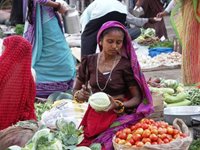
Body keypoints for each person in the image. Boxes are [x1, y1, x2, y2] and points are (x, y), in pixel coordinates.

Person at [73, 21, 154, 149]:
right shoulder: (89, 61)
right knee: (83, 144)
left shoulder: (125, 65)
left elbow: (137, 98)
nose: (114, 46)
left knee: (109, 145)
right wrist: (80, 95)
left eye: (118, 42)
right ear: (100, 41)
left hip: (119, 114)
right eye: (110, 41)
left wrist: (117, 104)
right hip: (95, 113)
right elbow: (75, 91)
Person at [24, 0, 76, 98]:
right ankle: (42, 84)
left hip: (45, 16)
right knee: (55, 52)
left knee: (51, 51)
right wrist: (58, 5)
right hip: (45, 18)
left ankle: (43, 83)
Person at [80, 0, 157, 57]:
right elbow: (133, 20)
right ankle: (120, 59)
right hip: (120, 13)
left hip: (101, 12)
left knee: (88, 38)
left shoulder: (86, 12)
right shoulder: (118, 4)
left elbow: (86, 33)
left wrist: (86, 38)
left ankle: (86, 64)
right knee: (116, 37)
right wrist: (149, 19)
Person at [157, 0, 200, 85]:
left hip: (194, 16)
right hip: (190, 14)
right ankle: (192, 80)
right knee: (191, 49)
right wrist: (166, 11)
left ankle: (194, 81)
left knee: (192, 49)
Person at [0, 35, 36, 130]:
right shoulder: (30, 75)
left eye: (3, 48)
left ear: (10, 50)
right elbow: (28, 107)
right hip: (16, 129)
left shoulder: (2, 69)